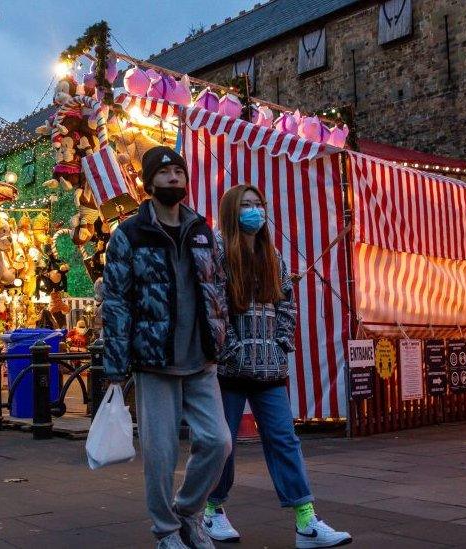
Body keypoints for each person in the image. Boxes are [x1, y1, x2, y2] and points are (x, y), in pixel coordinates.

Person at [204, 185, 352, 548]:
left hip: (270, 369)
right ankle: (212, 510)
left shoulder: (271, 254)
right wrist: (232, 350)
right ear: (231, 211)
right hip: (228, 370)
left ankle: (306, 522)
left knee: (284, 439)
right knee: (223, 444)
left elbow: (286, 300)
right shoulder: (217, 250)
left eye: (259, 205)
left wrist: (282, 341)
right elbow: (213, 307)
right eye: (247, 205)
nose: (255, 212)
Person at [102, 146, 232, 549]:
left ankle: (188, 511)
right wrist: (117, 361)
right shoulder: (129, 233)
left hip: (200, 357)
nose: (174, 178)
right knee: (160, 454)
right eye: (165, 172)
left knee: (218, 441)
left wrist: (220, 333)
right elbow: (116, 300)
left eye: (179, 171)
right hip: (154, 358)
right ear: (149, 182)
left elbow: (216, 287)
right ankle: (165, 531)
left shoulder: (200, 229)